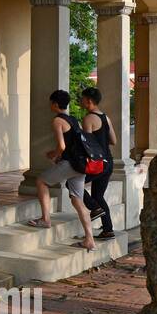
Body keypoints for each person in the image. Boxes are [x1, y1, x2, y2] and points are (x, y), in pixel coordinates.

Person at [26, 89, 95, 251]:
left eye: (51, 103)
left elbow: (62, 146)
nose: (50, 106)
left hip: (70, 164)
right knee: (78, 201)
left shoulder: (57, 121)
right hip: (81, 165)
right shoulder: (74, 120)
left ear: (55, 104)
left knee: (41, 181)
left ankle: (45, 219)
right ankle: (89, 240)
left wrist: (53, 154)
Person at [79, 87, 116, 239]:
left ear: (89, 101)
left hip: (97, 163)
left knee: (73, 184)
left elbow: (86, 144)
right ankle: (108, 229)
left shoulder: (88, 118)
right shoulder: (105, 118)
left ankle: (94, 208)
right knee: (98, 195)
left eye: (82, 98)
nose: (80, 101)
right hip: (109, 162)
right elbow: (113, 141)